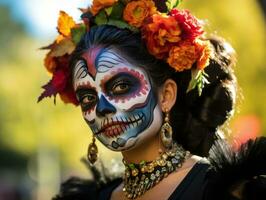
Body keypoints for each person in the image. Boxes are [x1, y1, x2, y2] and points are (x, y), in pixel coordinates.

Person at [38, 0, 266, 199]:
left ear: (166, 95)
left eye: (121, 86)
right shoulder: (94, 197)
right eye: (88, 97)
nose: (102, 108)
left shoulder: (226, 191)